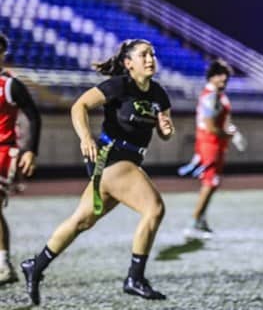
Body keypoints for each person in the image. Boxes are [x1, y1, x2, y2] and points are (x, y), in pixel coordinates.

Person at [20, 39, 175, 305]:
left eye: (152, 54)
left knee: (82, 221)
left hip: (128, 162)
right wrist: (85, 138)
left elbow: (163, 132)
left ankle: (36, 264)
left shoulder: (158, 94)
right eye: (143, 55)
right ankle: (134, 278)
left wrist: (165, 129)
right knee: (154, 209)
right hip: (111, 157)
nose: (150, 59)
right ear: (128, 63)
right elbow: (78, 106)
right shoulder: (119, 85)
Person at [178, 59, 246, 238]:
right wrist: (230, 135)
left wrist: (230, 131)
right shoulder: (211, 96)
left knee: (211, 185)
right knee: (210, 183)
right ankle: (193, 224)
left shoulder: (216, 93)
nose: (224, 78)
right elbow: (210, 126)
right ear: (212, 76)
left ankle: (201, 220)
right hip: (210, 144)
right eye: (220, 74)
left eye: (226, 75)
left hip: (214, 143)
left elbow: (220, 122)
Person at [0, 33, 41, 286]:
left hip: (3, 150)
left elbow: (33, 115)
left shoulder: (9, 84)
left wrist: (30, 150)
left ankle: (3, 264)